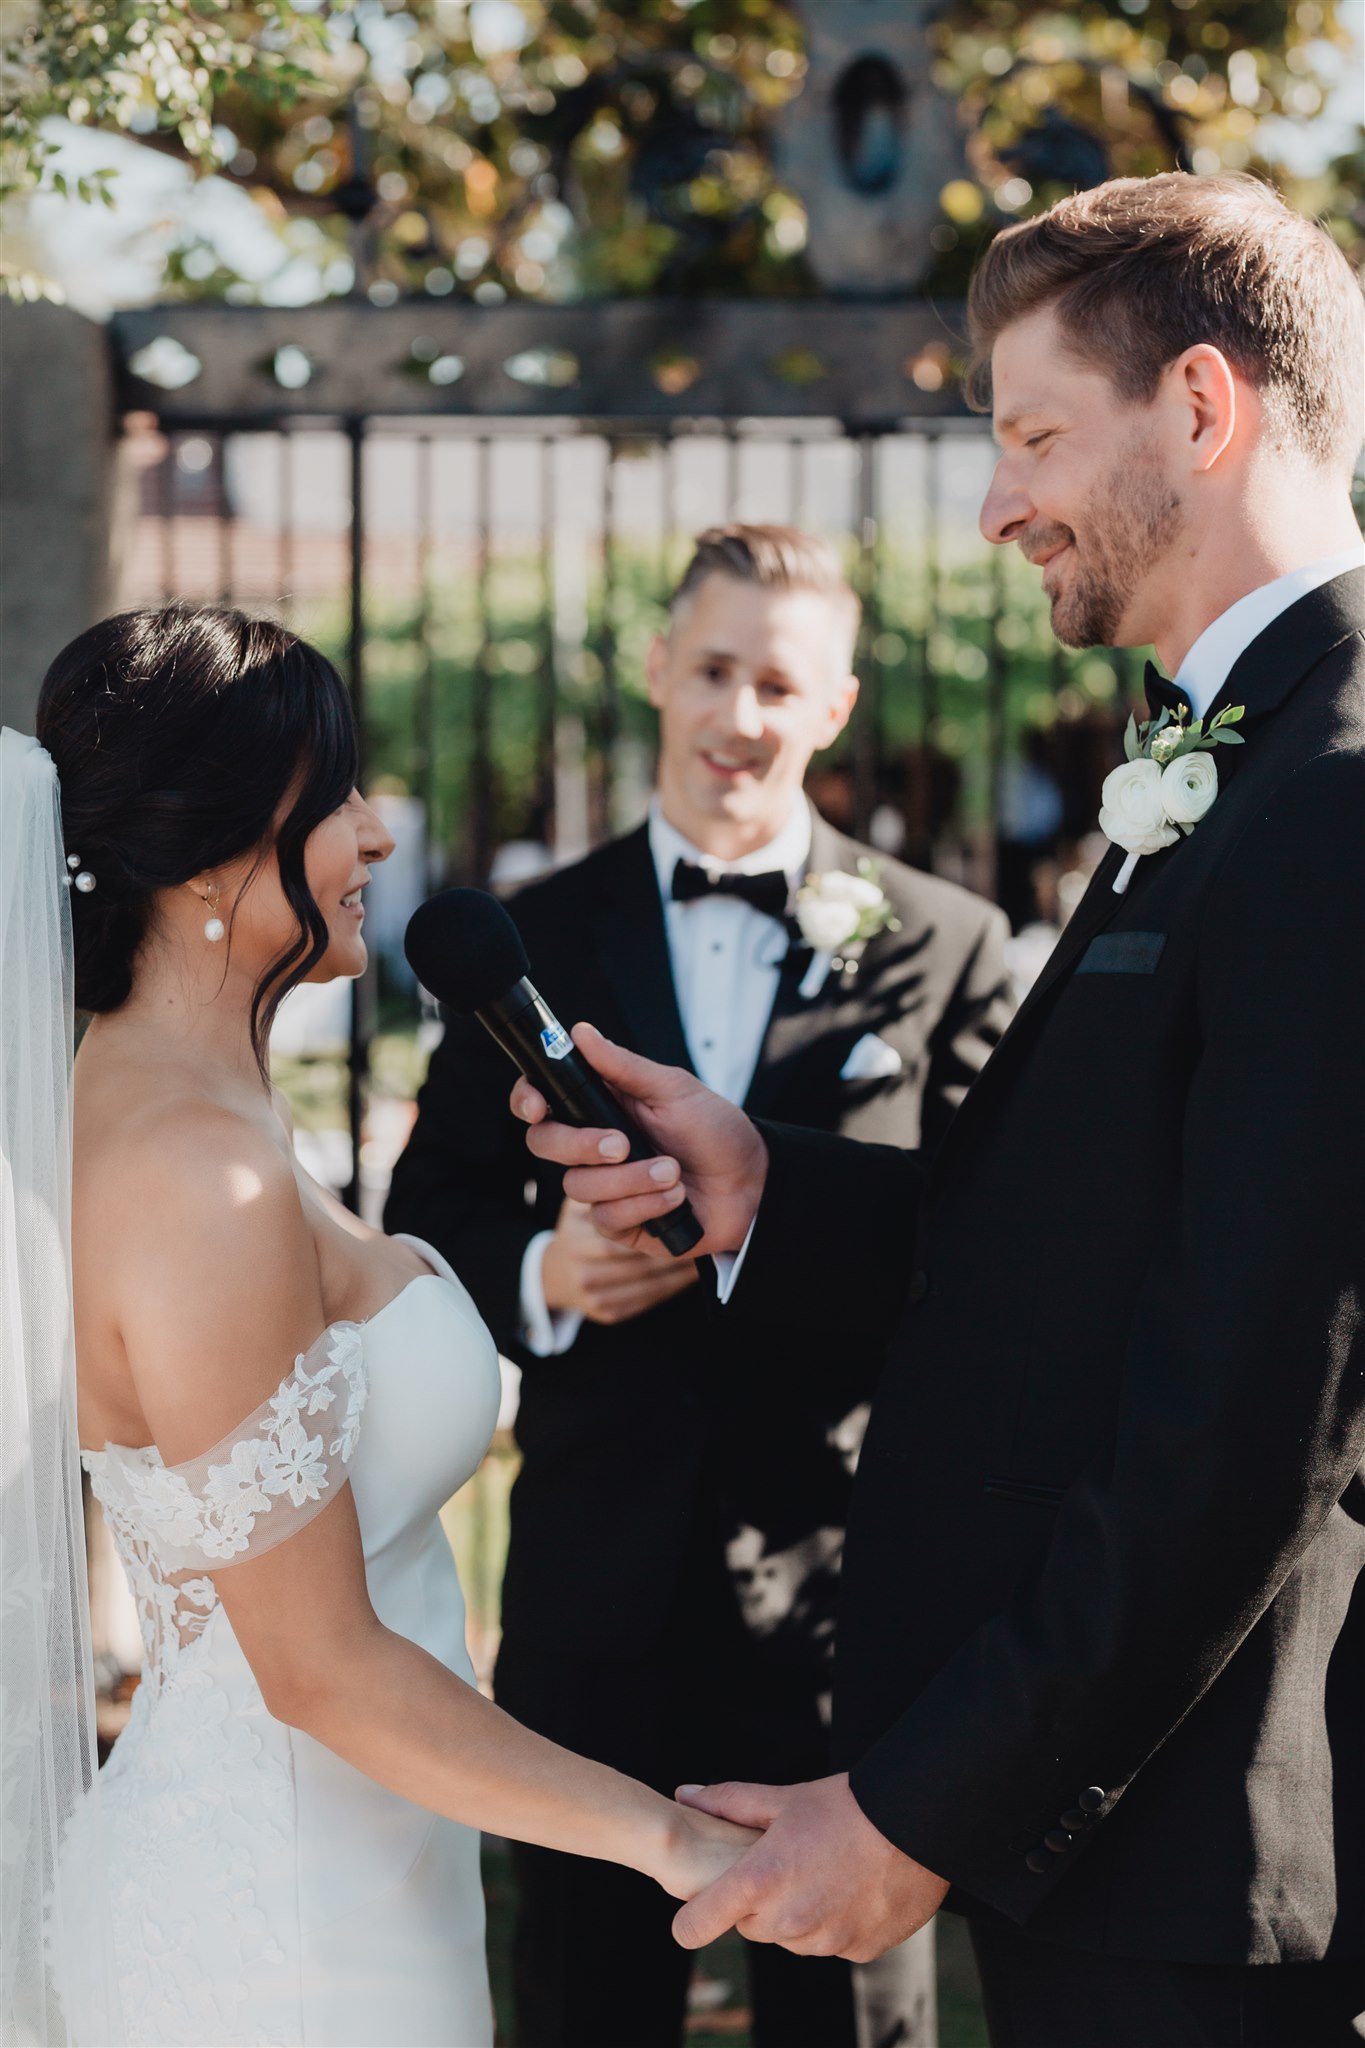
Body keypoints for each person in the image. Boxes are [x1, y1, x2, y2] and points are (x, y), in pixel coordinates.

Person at [509, 174, 1365, 2048]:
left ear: (1202, 410)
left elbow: (1238, 1421)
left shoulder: (1337, 797)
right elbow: (1092, 1246)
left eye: (1035, 434)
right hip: (1104, 1850)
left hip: (1185, 1858)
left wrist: (922, 1809)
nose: (996, 506)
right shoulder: (1230, 762)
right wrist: (764, 1190)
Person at [10, 605, 753, 2048]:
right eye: (338, 797)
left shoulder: (207, 1109)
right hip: (283, 1936)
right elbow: (318, 1664)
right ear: (215, 848)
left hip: (361, 1874)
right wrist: (680, 1845)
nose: (377, 837)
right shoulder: (188, 1168)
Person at [386, 523, 1012, 2048]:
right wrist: (549, 1271)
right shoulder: (526, 938)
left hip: (842, 1606)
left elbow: (1000, 1256)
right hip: (593, 1595)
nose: (739, 716)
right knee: (581, 1999)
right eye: (714, 669)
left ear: (834, 708)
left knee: (848, 2016)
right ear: (659, 671)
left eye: (777, 684)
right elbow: (426, 1214)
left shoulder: (946, 944)